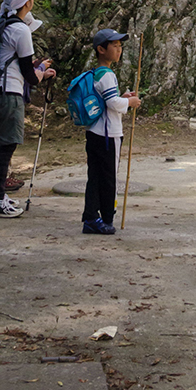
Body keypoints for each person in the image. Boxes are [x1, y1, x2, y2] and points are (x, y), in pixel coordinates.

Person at [0, 0, 55, 218]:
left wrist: (36, 69)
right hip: (8, 94)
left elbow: (12, 61)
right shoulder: (21, 30)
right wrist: (42, 70)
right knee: (6, 146)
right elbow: (29, 76)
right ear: (28, 3)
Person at [81, 28, 141, 235]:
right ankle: (106, 217)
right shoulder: (107, 75)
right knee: (108, 177)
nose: (119, 49)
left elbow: (108, 101)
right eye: (114, 45)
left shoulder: (97, 73)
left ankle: (91, 217)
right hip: (108, 135)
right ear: (101, 49)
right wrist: (130, 101)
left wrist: (123, 97)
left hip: (94, 132)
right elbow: (112, 103)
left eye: (120, 45)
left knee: (95, 176)